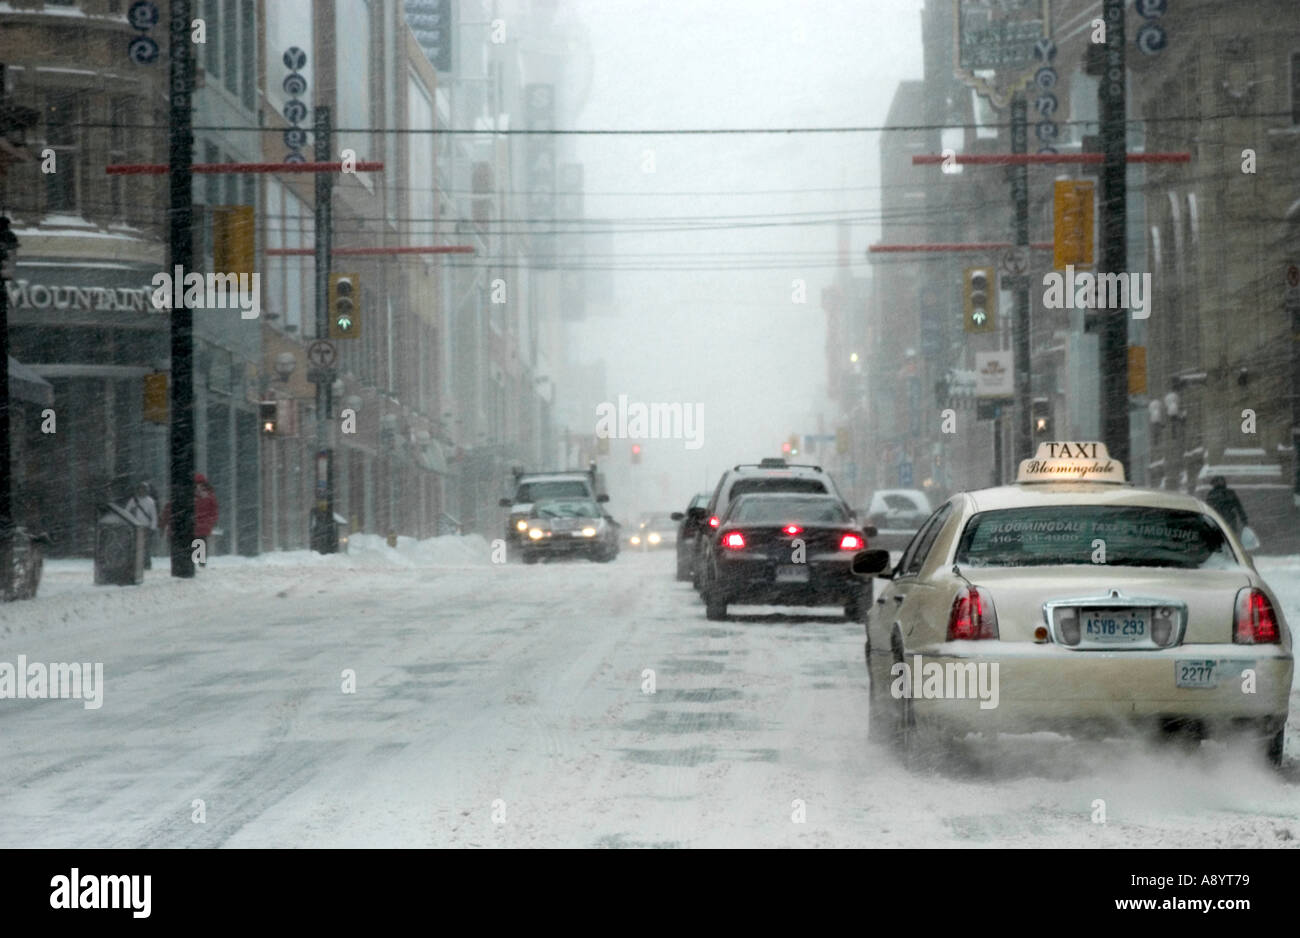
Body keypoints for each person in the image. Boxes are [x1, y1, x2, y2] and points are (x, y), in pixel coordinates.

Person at [161, 473, 220, 566]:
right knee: (197, 546)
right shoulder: (209, 496)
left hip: (194, 526)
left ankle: (194, 564)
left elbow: (171, 510)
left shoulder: (187, 496)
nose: (198, 487)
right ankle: (197, 564)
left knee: (193, 546)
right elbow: (214, 512)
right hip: (196, 526)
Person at [124, 481, 158, 570]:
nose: (142, 491)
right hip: (135, 526)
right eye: (140, 489)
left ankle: (146, 564)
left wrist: (152, 527)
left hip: (146, 527)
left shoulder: (150, 502)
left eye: (144, 489)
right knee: (136, 547)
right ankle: (136, 564)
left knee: (146, 547)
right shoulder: (133, 500)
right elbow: (126, 512)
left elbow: (154, 516)